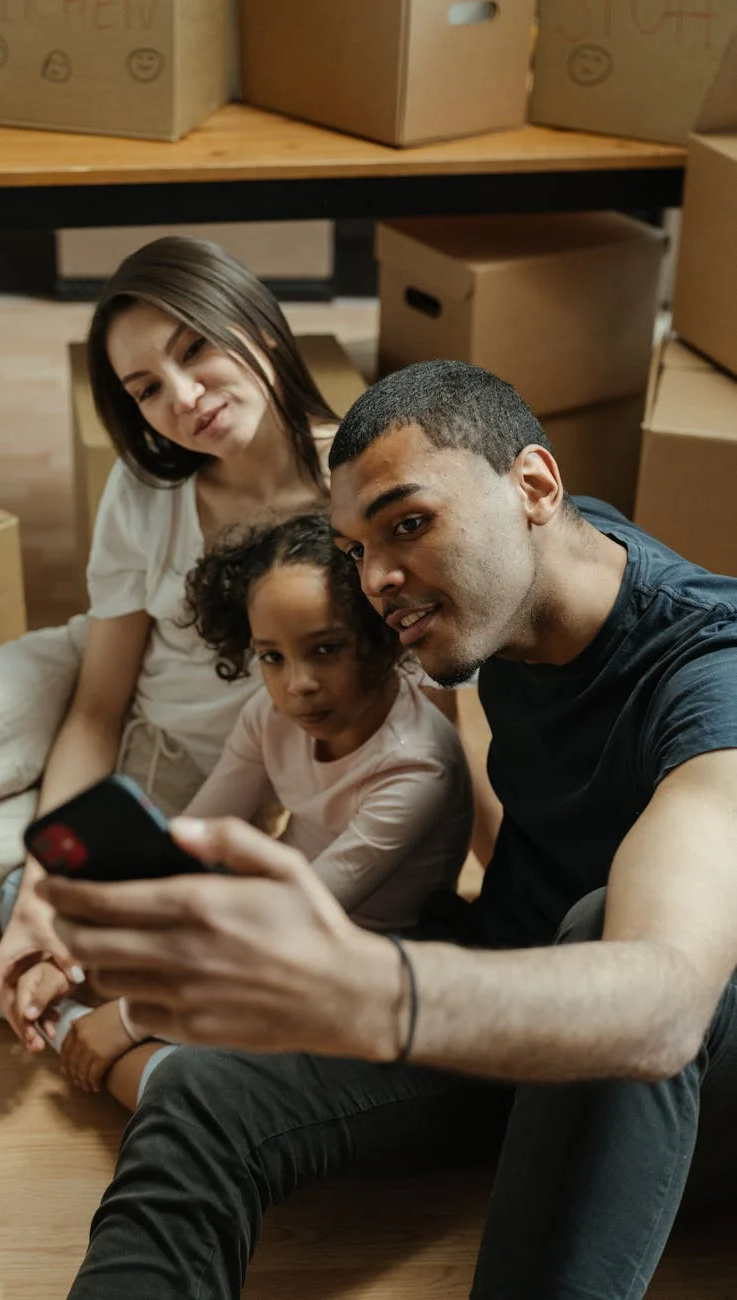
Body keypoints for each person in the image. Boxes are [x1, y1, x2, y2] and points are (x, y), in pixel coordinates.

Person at [39, 360, 737, 1300]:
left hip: (670, 1066)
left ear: (534, 484)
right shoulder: (533, 562)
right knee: (199, 1091)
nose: (376, 580)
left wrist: (367, 988)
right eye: (355, 547)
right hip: (508, 999)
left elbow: (662, 1005)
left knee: (602, 920)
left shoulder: (712, 682)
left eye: (407, 525)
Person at [0, 234, 339, 1045]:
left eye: (194, 349)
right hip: (84, 685)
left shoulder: (363, 488)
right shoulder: (145, 489)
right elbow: (97, 708)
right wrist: (42, 884)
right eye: (146, 388)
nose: (182, 396)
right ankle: (38, 942)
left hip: (175, 798)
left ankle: (39, 962)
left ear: (261, 327)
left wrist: (41, 891)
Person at [19, 509, 471, 1106]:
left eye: (326, 649)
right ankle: (56, 1002)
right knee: (53, 910)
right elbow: (192, 842)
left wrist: (126, 1019)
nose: (296, 684)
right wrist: (73, 952)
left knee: (194, 1083)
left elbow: (297, 925)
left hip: (347, 964)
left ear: (381, 636)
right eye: (272, 657)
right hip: (260, 917)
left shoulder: (417, 766)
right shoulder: (268, 716)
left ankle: (60, 1026)